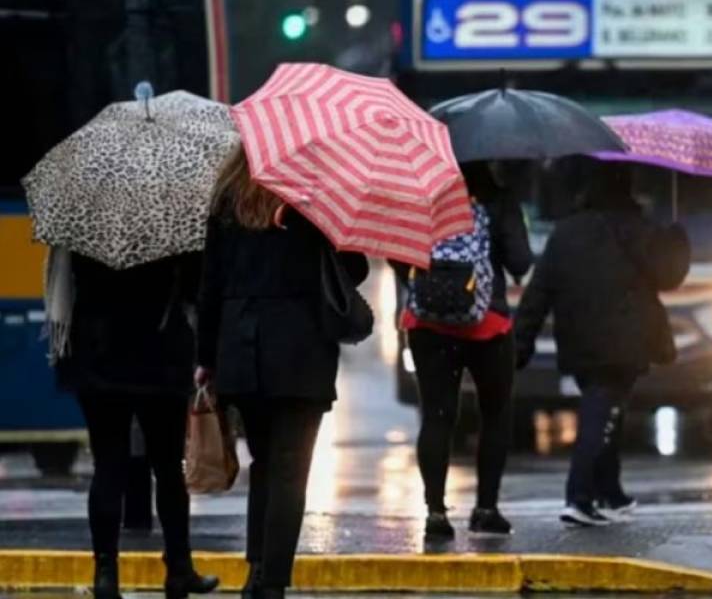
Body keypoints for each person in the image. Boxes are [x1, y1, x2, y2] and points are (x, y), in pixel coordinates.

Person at [195, 146, 368, 599]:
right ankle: (271, 583)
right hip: (299, 353)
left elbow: (209, 285)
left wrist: (205, 359)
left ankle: (256, 573)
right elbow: (354, 269)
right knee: (291, 472)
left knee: (266, 465)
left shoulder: (227, 200)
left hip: (240, 349)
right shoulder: (315, 200)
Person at [515, 160, 689, 526]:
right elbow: (668, 276)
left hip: (577, 338)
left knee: (607, 408)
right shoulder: (638, 228)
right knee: (602, 411)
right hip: (624, 341)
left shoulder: (565, 232)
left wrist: (521, 341)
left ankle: (610, 493)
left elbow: (539, 291)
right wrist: (676, 238)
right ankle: (578, 497)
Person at [53, 251, 219, 599]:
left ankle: (105, 573)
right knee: (169, 468)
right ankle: (179, 568)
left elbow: (73, 286)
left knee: (108, 465)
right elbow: (194, 289)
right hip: (160, 360)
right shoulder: (170, 224)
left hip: (99, 358)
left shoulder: (88, 222)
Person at [394, 161, 533, 540]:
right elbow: (520, 261)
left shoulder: (421, 197)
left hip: (427, 324)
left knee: (437, 416)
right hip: (487, 323)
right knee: (495, 414)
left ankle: (436, 514)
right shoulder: (499, 199)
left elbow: (397, 256)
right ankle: (486, 509)